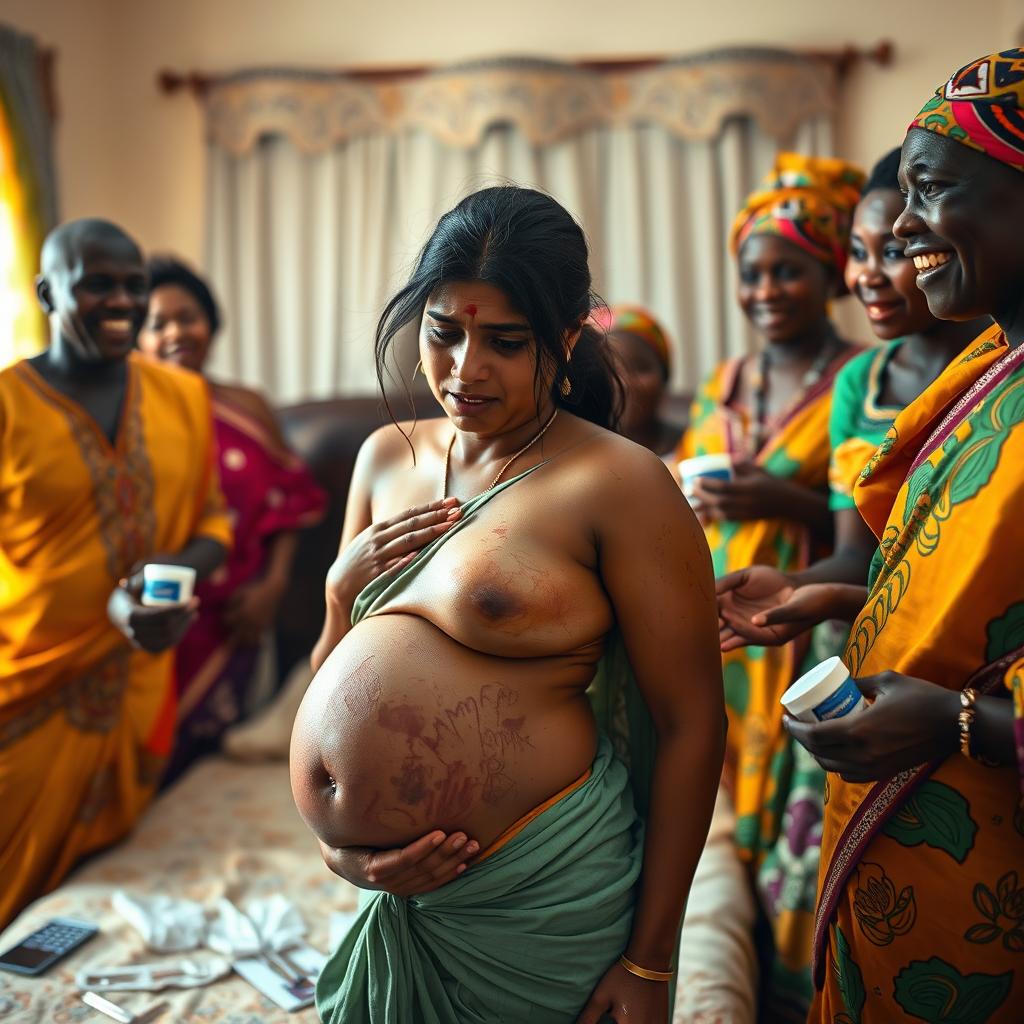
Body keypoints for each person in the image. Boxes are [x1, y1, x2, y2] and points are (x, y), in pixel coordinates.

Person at [289, 186, 725, 1023]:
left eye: (505, 342)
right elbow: (325, 683)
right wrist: (344, 849)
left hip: (538, 898)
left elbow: (692, 726)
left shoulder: (618, 482)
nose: (464, 370)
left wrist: (650, 962)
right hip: (393, 901)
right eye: (443, 333)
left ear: (565, 340)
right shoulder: (386, 457)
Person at [777, 50, 1024, 1022]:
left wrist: (951, 724)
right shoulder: (984, 377)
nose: (905, 227)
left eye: (931, 191)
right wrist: (829, 597)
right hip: (906, 867)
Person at [671, 152, 864, 1015]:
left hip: (797, 621)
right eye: (753, 272)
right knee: (702, 802)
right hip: (708, 622)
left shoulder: (860, 380)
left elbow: (886, 528)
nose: (768, 289)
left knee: (787, 810)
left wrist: (780, 497)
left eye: (790, 270)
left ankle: (784, 990)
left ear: (829, 275)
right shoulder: (726, 380)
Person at [0, 220, 232, 928]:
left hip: (136, 679)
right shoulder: (7, 406)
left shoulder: (183, 399)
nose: (122, 301)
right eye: (97, 283)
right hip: (27, 687)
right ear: (47, 292)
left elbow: (214, 527)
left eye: (133, 285)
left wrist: (163, 581)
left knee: (89, 900)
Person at [717, 148, 990, 649]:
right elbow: (854, 554)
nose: (865, 277)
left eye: (890, 252)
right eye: (857, 254)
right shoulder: (861, 383)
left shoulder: (998, 362)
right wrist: (792, 586)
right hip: (878, 642)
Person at [137, 258, 325, 783]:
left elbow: (291, 501)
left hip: (240, 616)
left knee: (215, 758)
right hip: (157, 612)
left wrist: (275, 585)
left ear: (211, 324)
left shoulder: (247, 408)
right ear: (137, 339)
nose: (177, 332)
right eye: (158, 323)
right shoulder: (129, 418)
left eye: (188, 317)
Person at [590, 304, 682, 456]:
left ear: (664, 376)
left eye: (640, 368)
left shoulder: (695, 445)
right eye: (610, 370)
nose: (625, 383)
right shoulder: (581, 457)